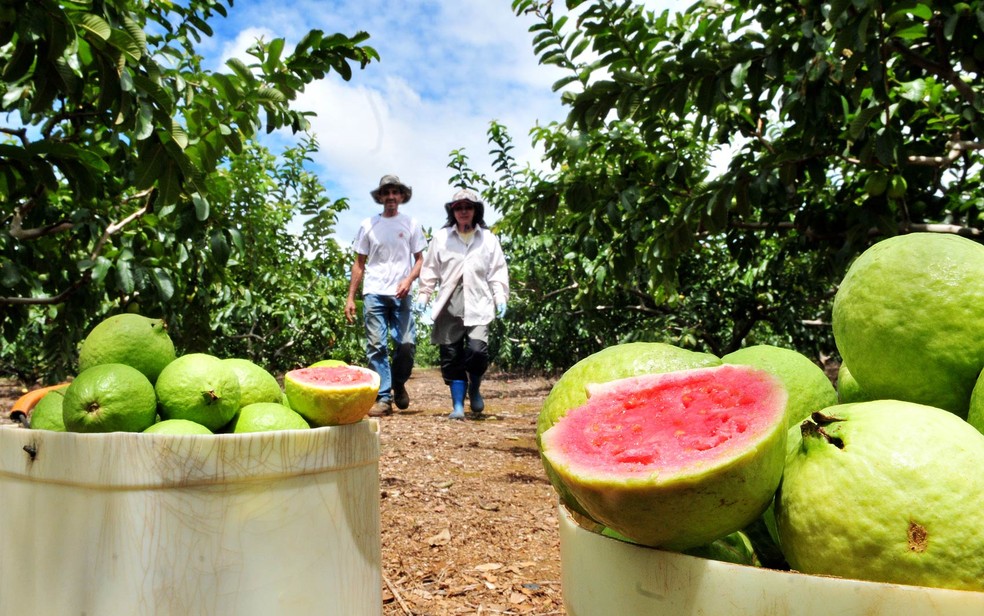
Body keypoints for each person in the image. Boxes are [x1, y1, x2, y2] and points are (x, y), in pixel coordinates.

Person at [414, 188, 509, 420]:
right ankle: (458, 405)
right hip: (449, 301)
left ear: (476, 210)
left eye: (468, 207)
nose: (463, 211)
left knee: (477, 351)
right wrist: (423, 295)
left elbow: (497, 271)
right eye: (459, 207)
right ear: (452, 211)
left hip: (479, 300)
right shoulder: (441, 237)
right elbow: (430, 270)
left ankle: (474, 388)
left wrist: (500, 297)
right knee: (451, 355)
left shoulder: (488, 239)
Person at [346, 175, 428, 417]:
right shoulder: (368, 225)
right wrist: (351, 297)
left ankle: (398, 382)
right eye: (386, 192)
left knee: (406, 344)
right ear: (380, 197)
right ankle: (383, 397)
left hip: (401, 294)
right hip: (374, 293)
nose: (391, 197)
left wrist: (409, 279)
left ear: (401, 196)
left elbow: (420, 259)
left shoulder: (411, 224)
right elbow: (359, 262)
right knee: (376, 345)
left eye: (396, 192)